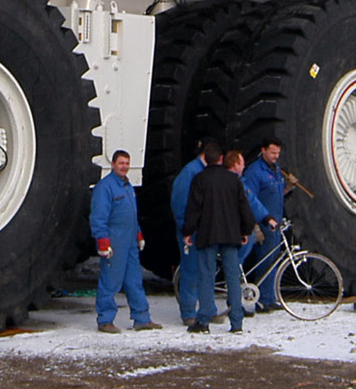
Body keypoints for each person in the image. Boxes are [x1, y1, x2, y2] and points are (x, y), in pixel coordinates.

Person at [182, 140, 257, 333]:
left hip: (207, 234)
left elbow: (193, 209)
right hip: (231, 234)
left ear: (205, 159)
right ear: (222, 159)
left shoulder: (200, 179)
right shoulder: (233, 180)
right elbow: (244, 208)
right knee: (232, 276)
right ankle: (237, 321)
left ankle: (204, 318)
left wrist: (188, 231)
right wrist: (245, 230)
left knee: (206, 276)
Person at [90, 150, 159, 332]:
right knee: (110, 281)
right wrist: (102, 241)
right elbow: (98, 217)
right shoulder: (105, 188)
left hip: (129, 242)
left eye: (127, 163)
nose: (124, 167)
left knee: (135, 280)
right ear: (113, 165)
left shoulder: (127, 186)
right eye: (121, 163)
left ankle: (142, 318)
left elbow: (131, 215)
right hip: (114, 241)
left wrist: (138, 234)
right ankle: (105, 320)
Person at [226, 149, 280, 311]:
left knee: (237, 266)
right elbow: (251, 203)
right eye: (242, 163)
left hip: (238, 229)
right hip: (235, 231)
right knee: (234, 266)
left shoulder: (238, 181)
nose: (244, 167)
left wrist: (266, 218)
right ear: (235, 165)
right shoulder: (236, 183)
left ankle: (239, 302)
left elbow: (253, 202)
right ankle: (234, 304)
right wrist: (263, 220)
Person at [240, 139, 287, 314]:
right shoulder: (254, 172)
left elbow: (276, 192)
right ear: (263, 150)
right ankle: (260, 299)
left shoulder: (275, 170)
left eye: (278, 153)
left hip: (275, 223)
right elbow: (248, 199)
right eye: (273, 153)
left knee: (272, 261)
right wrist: (254, 225)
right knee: (263, 261)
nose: (276, 156)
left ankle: (269, 298)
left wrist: (288, 188)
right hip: (263, 224)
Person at [169, 139, 211, 325]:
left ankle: (207, 310)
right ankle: (188, 313)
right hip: (191, 231)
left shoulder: (204, 171)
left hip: (205, 230)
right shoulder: (190, 172)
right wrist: (185, 228)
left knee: (206, 271)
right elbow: (179, 203)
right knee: (190, 270)